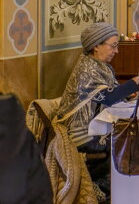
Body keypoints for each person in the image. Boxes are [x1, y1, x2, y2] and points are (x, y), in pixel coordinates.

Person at [51, 21, 130, 200]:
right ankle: (108, 192)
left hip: (93, 126)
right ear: (96, 46)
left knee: (129, 137)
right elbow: (108, 97)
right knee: (125, 141)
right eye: (113, 46)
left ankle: (119, 191)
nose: (116, 51)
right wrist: (135, 82)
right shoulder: (87, 69)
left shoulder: (99, 66)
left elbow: (112, 94)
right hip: (81, 133)